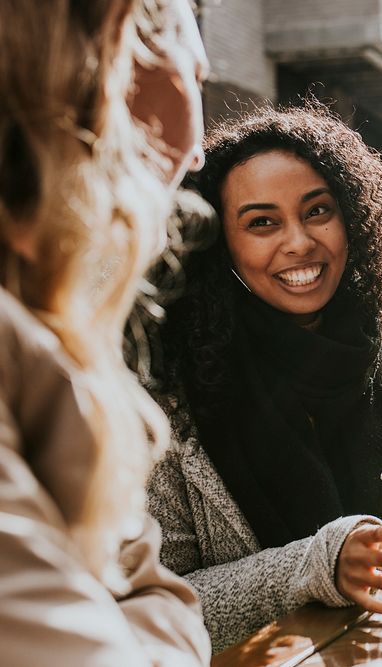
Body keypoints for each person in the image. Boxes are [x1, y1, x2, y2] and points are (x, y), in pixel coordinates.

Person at [142, 105, 382, 651]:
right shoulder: (166, 397)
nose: (299, 242)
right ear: (220, 243)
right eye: (262, 222)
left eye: (318, 211)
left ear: (352, 219)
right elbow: (152, 607)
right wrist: (316, 564)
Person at [0, 0, 212, 663]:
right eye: (195, 76)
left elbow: (153, 593)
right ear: (113, 51)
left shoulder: (56, 331)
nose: (198, 150)